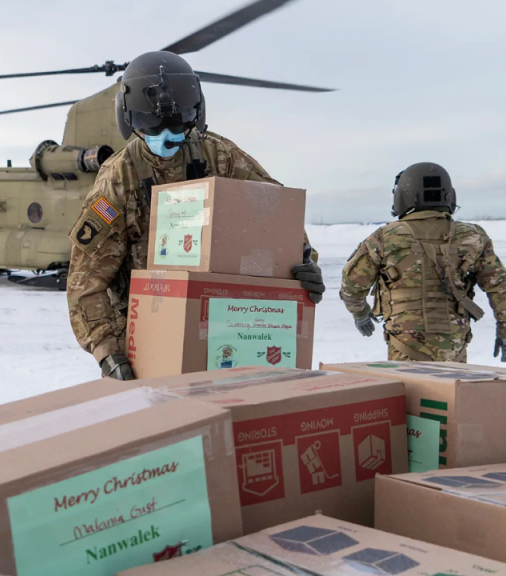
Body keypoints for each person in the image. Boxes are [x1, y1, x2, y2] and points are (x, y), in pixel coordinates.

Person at [66, 51, 324, 380]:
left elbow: (274, 212)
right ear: (129, 119)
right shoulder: (117, 181)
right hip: (147, 334)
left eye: (178, 124)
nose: (166, 136)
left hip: (224, 326)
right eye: (151, 125)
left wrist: (303, 260)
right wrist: (109, 354)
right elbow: (85, 282)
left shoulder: (220, 157)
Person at [339, 162, 506, 362]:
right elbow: (499, 287)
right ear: (449, 195)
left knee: (410, 391)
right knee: (450, 391)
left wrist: (361, 313)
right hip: (453, 347)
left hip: (405, 346)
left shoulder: (385, 237)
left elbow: (352, 285)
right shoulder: (472, 236)